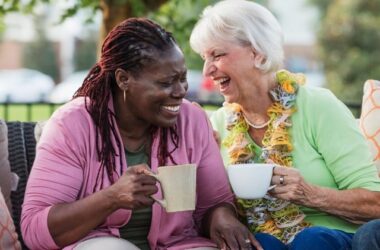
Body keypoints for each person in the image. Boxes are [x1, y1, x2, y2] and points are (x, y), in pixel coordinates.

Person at [21, 18, 260, 250]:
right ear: (124, 79)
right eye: (166, 82)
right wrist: (111, 198)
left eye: (182, 79)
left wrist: (221, 218)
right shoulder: (72, 125)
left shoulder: (192, 121)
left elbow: (215, 203)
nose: (180, 92)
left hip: (178, 244)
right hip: (96, 243)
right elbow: (34, 230)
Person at [190, 0, 380, 249]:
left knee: (310, 241)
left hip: (329, 238)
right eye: (205, 58)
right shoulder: (219, 123)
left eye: (217, 55)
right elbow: (208, 206)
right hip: (264, 240)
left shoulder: (317, 106)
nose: (207, 71)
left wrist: (310, 194)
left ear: (257, 53)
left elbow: (374, 203)